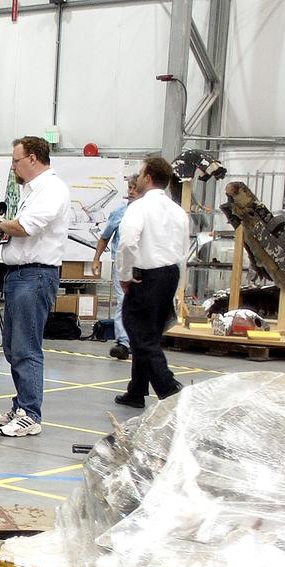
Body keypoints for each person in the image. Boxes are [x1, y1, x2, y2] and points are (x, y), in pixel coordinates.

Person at [0, 136, 72, 438]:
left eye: (16, 160)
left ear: (33, 158)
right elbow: (19, 231)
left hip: (35, 276)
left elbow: (25, 226)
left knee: (26, 348)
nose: (13, 166)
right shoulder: (31, 191)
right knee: (12, 346)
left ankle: (31, 413)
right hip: (19, 274)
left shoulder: (51, 189)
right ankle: (21, 404)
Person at [113, 157, 189, 409]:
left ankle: (169, 389)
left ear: (147, 177)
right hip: (170, 274)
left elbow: (127, 242)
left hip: (148, 275)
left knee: (139, 333)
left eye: (141, 173)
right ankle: (136, 390)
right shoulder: (178, 211)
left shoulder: (139, 207)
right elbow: (183, 250)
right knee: (150, 333)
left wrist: (124, 274)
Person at [93, 174, 141, 360]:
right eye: (129, 187)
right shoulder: (119, 213)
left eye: (135, 188)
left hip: (144, 264)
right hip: (122, 264)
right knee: (123, 301)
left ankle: (138, 339)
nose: (131, 191)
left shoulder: (149, 214)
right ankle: (123, 342)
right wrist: (96, 258)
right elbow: (104, 237)